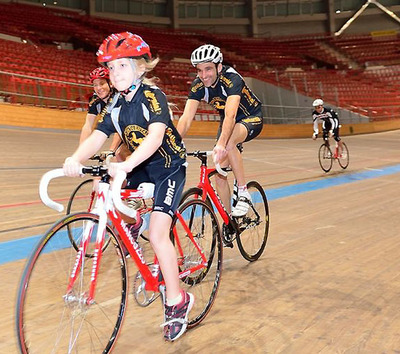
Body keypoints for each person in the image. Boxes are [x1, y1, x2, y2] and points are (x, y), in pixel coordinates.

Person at [63, 32, 193, 342]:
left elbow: (156, 137)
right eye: (111, 67)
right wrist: (73, 158)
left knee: (160, 232)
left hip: (167, 168)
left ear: (141, 67)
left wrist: (126, 163)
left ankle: (177, 302)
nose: (115, 73)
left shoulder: (152, 96)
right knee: (109, 190)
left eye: (122, 66)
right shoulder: (116, 105)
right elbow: (98, 135)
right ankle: (134, 222)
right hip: (140, 165)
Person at [177, 44, 263, 218]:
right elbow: (186, 119)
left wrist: (222, 144)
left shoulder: (231, 78)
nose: (203, 75)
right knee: (219, 175)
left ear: (219, 67)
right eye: (199, 70)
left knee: (229, 143)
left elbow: (231, 115)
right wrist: (174, 143)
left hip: (249, 117)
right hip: (228, 122)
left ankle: (243, 192)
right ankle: (230, 220)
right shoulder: (198, 85)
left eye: (208, 69)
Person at [81, 66, 123, 157]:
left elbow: (120, 128)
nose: (98, 88)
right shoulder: (95, 101)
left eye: (102, 83)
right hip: (120, 130)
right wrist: (82, 150)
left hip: (131, 130)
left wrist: (111, 150)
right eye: (95, 85)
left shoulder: (119, 98)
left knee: (119, 156)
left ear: (110, 83)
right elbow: (87, 126)